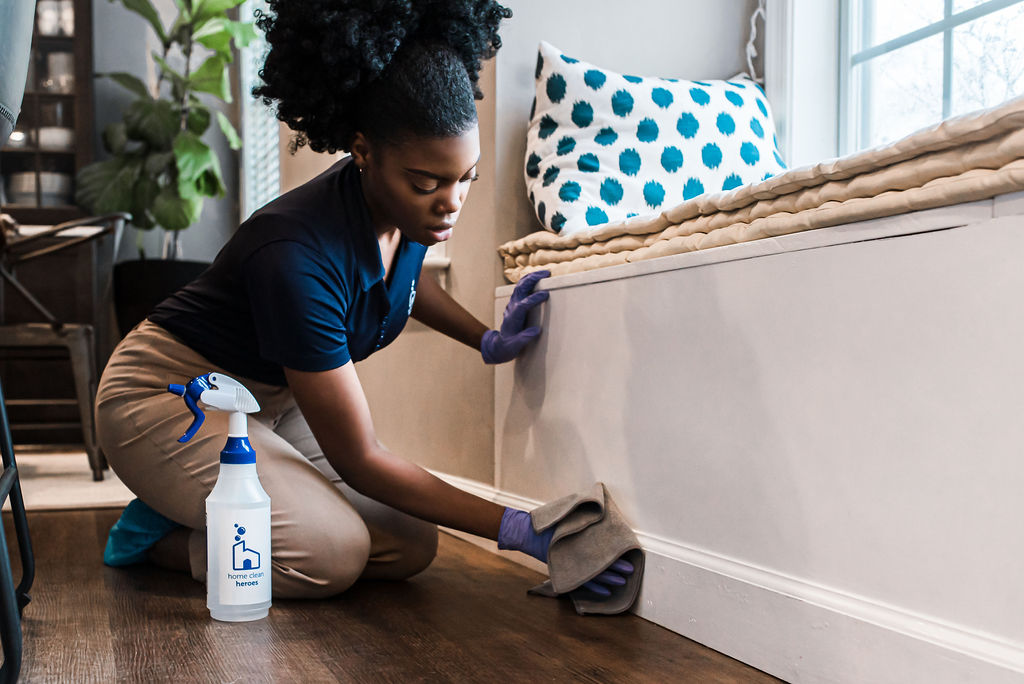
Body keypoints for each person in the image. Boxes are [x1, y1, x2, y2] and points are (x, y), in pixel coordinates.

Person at [97, 0, 632, 600]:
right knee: (330, 556)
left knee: (409, 542)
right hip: (171, 395)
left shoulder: (400, 214)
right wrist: (520, 528)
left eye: (466, 178)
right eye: (427, 183)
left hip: (264, 398)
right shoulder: (295, 256)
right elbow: (360, 459)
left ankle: (216, 509)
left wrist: (485, 337)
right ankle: (154, 535)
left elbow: (402, 281)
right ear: (362, 151)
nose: (450, 203)